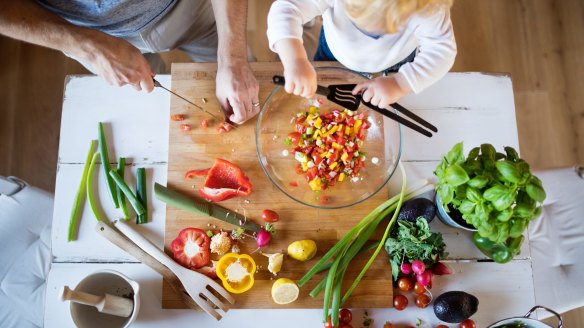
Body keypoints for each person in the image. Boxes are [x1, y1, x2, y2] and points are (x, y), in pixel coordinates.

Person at [0, 0, 260, 124]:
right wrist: (87, 46)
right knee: (153, 116)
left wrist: (233, 57)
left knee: (244, 94)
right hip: (87, 33)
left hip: (186, 7)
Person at [267, 0, 457, 109]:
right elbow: (286, 8)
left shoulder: (429, 7)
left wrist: (401, 84)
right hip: (334, 54)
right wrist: (295, 60)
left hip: (396, 64)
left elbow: (442, 50)